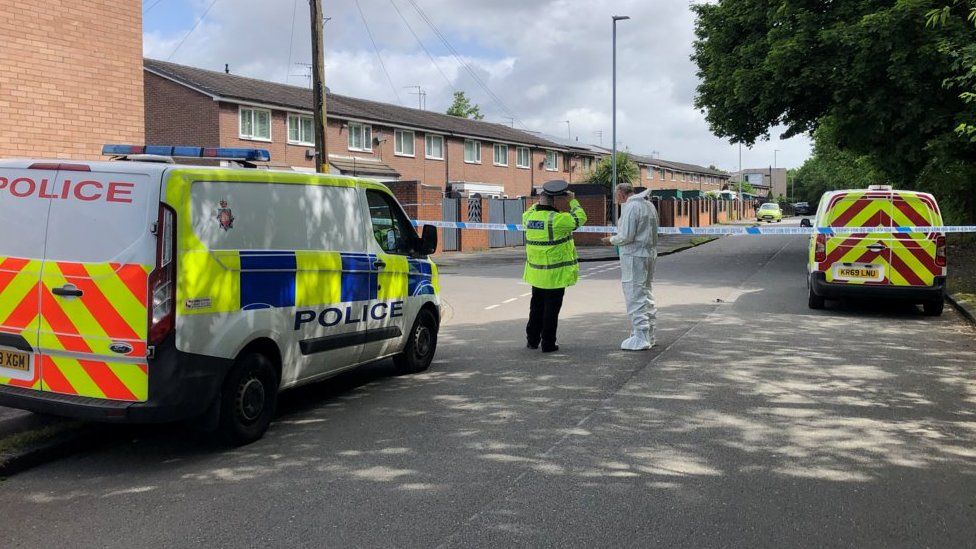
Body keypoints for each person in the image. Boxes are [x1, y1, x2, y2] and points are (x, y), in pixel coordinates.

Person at [523, 180, 588, 353]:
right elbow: (581, 217)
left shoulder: (528, 217)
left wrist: (544, 196)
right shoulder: (559, 220)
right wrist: (572, 200)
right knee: (551, 311)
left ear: (541, 199)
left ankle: (532, 340)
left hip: (536, 274)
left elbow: (534, 208)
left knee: (536, 308)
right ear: (555, 200)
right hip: (555, 275)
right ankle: (548, 343)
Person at [602, 183, 658, 351]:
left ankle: (641, 336)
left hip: (634, 256)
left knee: (634, 294)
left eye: (616, 195)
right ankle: (649, 333)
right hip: (649, 253)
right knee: (646, 292)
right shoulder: (648, 205)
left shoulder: (631, 207)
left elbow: (626, 236)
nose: (615, 199)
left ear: (621, 193)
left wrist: (610, 240)